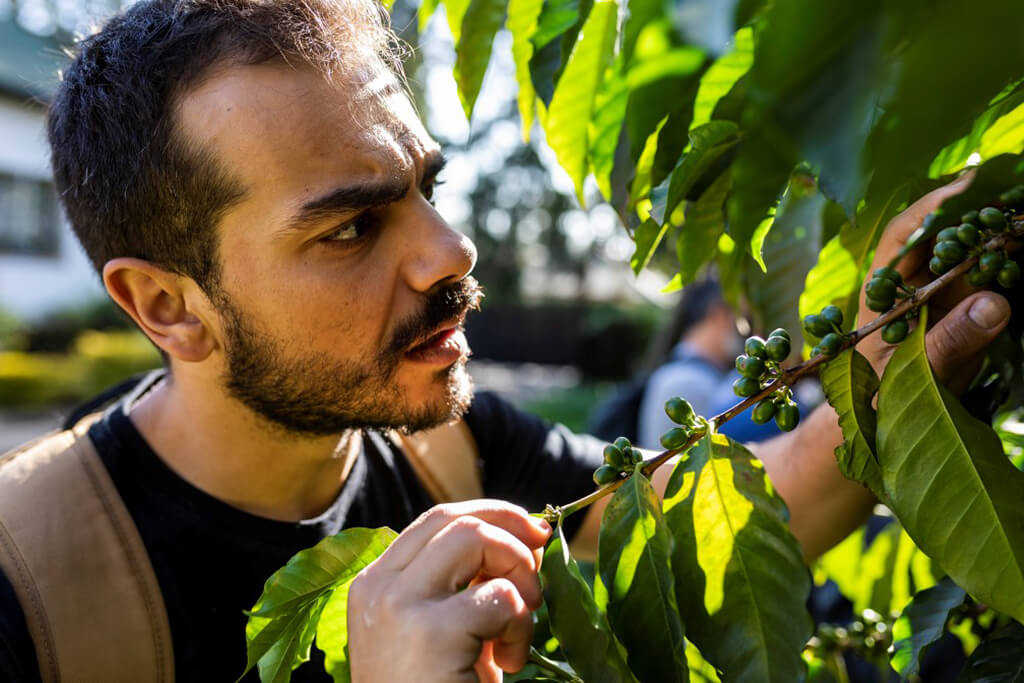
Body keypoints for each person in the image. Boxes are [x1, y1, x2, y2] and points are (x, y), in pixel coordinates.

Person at [0, 1, 1011, 681]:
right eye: (350, 227)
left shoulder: (455, 445)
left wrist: (889, 372)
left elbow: (717, 527)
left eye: (425, 191)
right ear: (167, 306)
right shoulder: (28, 592)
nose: (451, 250)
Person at [635, 278, 743, 449]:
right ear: (719, 314)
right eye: (743, 318)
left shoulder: (674, 372)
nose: (748, 330)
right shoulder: (690, 383)